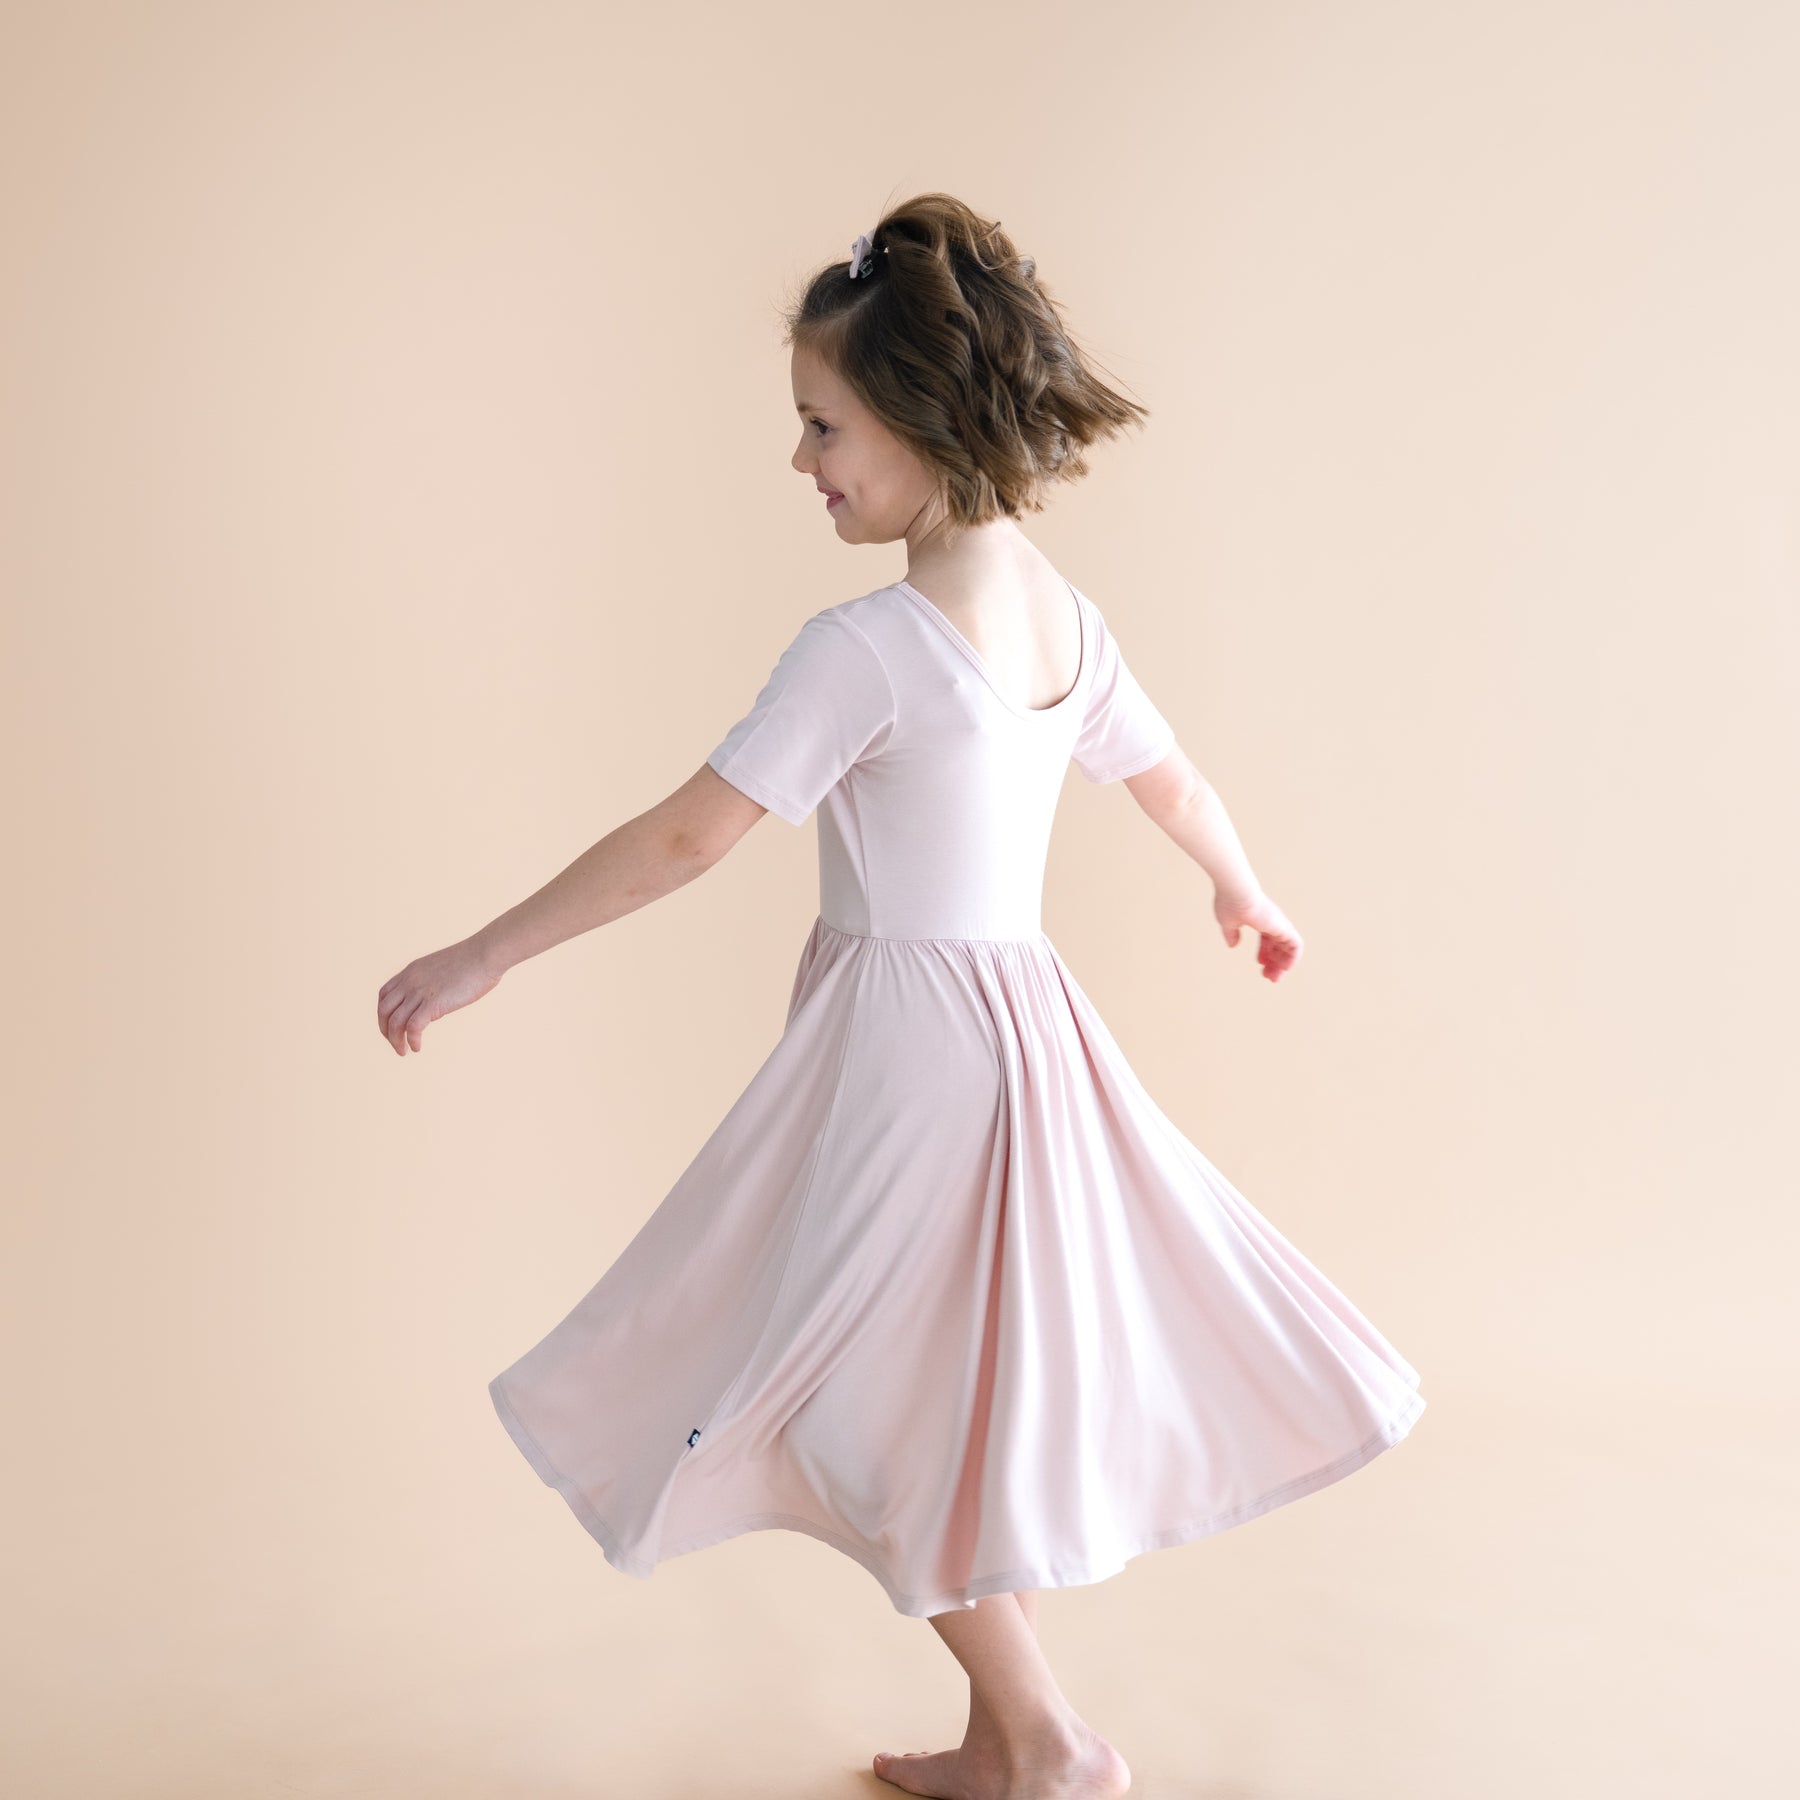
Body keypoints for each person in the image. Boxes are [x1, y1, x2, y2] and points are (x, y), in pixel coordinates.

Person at [376, 192, 1425, 1800]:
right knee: (909, 1390)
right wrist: (1243, 886)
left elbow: (683, 837)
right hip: (1021, 1028)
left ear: (927, 422)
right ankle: (1016, 1739)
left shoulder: (867, 647)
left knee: (858, 1399)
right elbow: (1170, 779)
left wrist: (487, 951)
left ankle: (1049, 1738)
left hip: (910, 1052)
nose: (803, 466)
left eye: (822, 428)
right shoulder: (1065, 621)